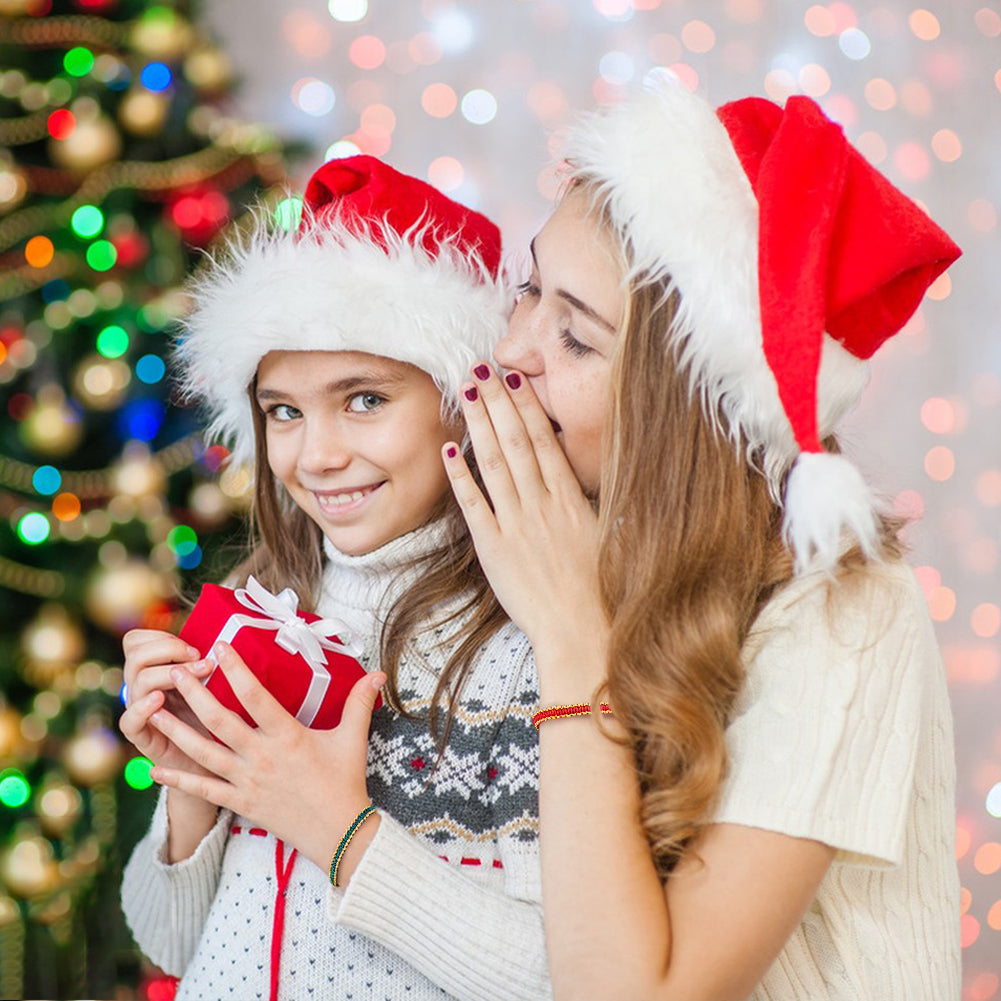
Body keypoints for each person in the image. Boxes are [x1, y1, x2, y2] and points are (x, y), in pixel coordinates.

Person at [441, 80, 963, 1000]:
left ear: (685, 407)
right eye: (529, 290)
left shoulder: (847, 615)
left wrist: (571, 645)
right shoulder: (565, 542)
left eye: (575, 338)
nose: (513, 348)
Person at [119, 155, 552, 1001]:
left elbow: (562, 974)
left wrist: (337, 829)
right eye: (284, 410)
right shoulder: (265, 615)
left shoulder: (525, 650)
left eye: (363, 399)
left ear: (459, 400)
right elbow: (169, 942)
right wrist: (191, 792)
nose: (315, 456)